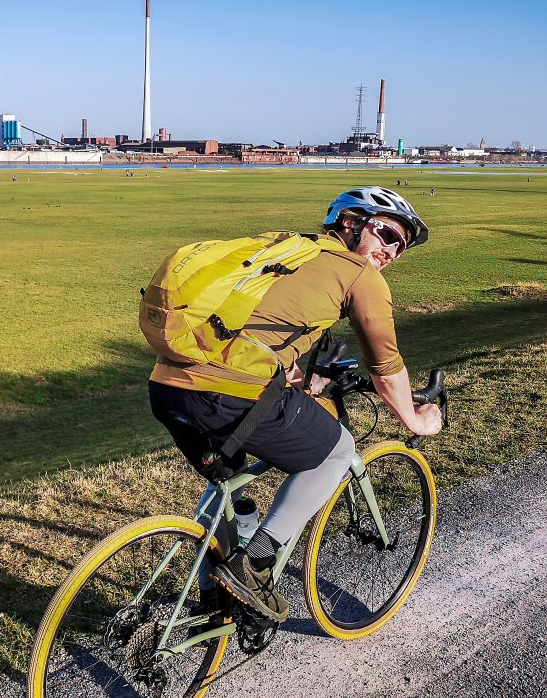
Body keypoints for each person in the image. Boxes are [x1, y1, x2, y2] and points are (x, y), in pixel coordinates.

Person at [148, 186, 443, 623]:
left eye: (400, 245)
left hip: (169, 386)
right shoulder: (360, 275)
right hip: (230, 393)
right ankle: (255, 565)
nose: (392, 251)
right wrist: (416, 420)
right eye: (386, 234)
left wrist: (284, 371)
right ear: (350, 223)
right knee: (338, 451)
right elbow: (385, 367)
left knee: (229, 491)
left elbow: (249, 319)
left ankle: (215, 597)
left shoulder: (287, 249)